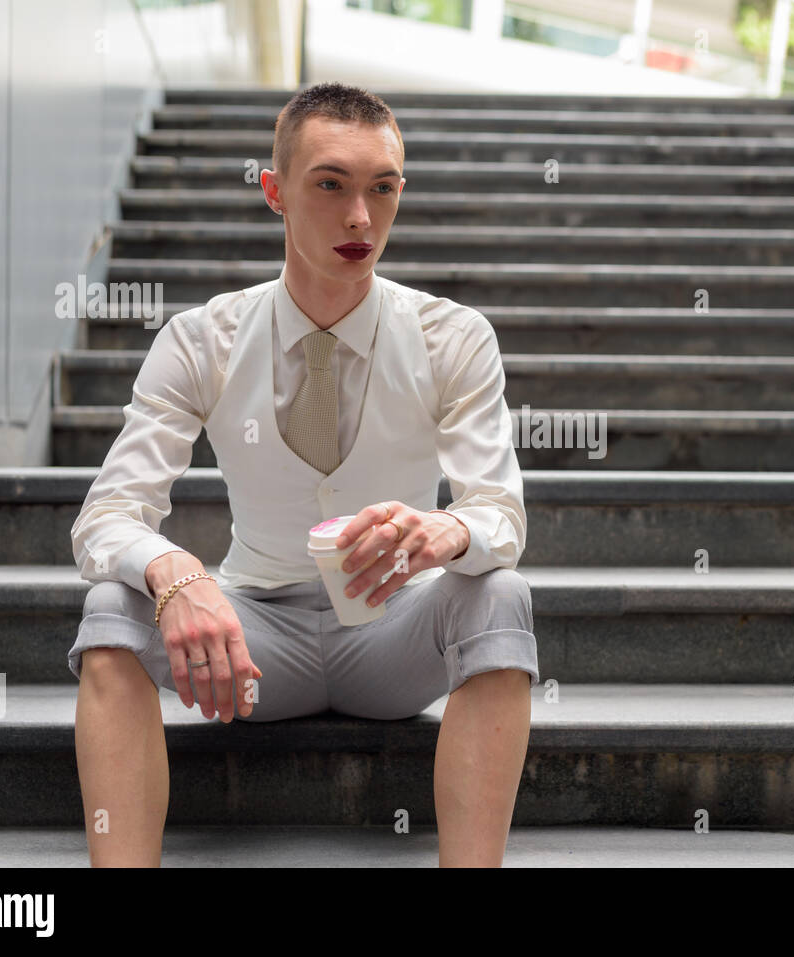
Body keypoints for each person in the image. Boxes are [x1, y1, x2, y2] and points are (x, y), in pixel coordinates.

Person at [68, 82, 539, 868]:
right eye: (331, 185)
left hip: (396, 635)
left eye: (382, 188)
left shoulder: (453, 336)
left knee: (500, 592)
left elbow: (500, 513)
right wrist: (175, 569)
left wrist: (446, 530)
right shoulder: (200, 340)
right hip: (250, 645)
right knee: (113, 602)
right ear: (275, 190)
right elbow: (106, 515)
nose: (361, 217)